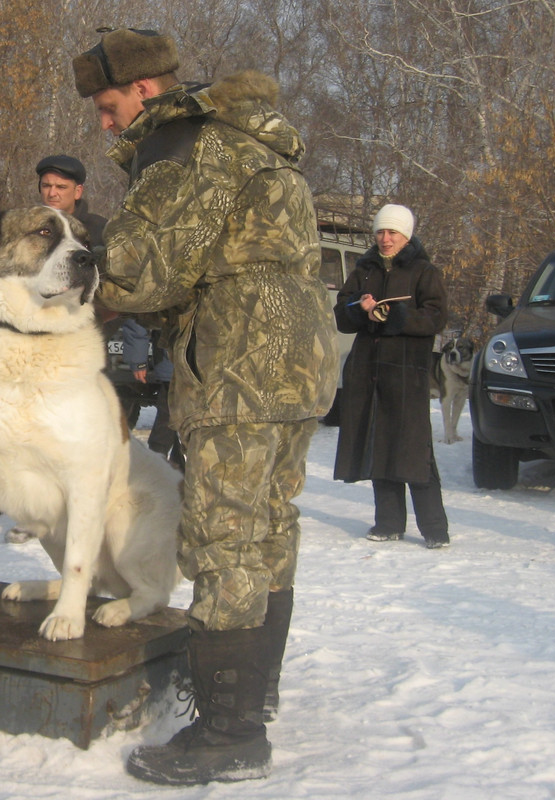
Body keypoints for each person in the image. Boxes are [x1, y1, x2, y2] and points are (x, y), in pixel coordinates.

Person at [73, 28, 338, 784]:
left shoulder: (184, 144)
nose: (105, 122)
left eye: (108, 104)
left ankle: (227, 730)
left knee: (223, 537)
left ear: (146, 91)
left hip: (239, 363)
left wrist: (75, 281)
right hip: (297, 360)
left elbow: (141, 266)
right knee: (267, 526)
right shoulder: (251, 142)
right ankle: (256, 695)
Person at [332, 204, 450, 548]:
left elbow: (436, 316)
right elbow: (342, 314)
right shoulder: (363, 269)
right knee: (377, 444)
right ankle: (388, 522)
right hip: (367, 371)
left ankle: (434, 528)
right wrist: (359, 306)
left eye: (393, 233)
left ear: (406, 236)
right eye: (381, 232)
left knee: (415, 450)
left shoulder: (424, 271)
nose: (385, 239)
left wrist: (395, 315)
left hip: (406, 373)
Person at [121, 318, 183, 469]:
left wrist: (138, 361)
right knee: (169, 410)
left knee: (170, 411)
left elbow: (137, 321)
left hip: (178, 358)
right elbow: (137, 320)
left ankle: (162, 461)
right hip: (174, 359)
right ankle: (157, 462)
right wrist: (138, 361)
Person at [35, 154, 108, 247]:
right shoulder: (28, 227)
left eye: (61, 187)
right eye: (46, 186)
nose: (52, 193)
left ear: (77, 191)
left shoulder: (101, 230)